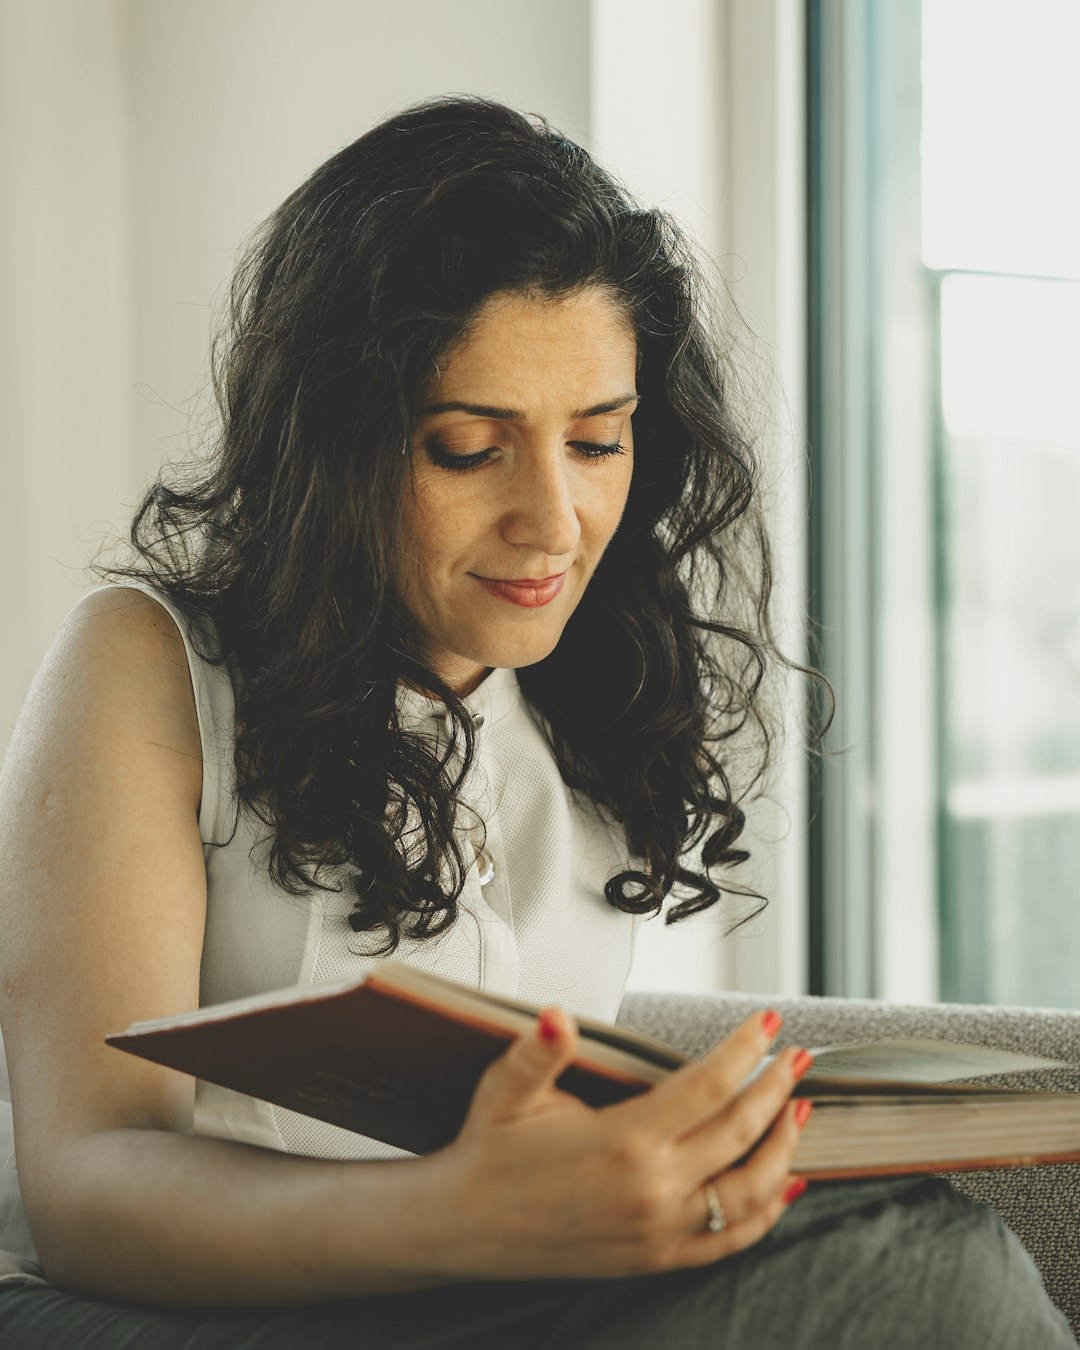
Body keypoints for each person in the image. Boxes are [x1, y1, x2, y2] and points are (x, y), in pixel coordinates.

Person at [0, 93, 1073, 1349]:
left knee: (922, 1244)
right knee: (908, 1285)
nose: (554, 521)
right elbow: (86, 1183)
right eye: (468, 447)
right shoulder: (151, 661)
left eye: (600, 441)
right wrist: (457, 1217)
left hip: (483, 1296)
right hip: (142, 1308)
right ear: (339, 451)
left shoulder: (581, 697)